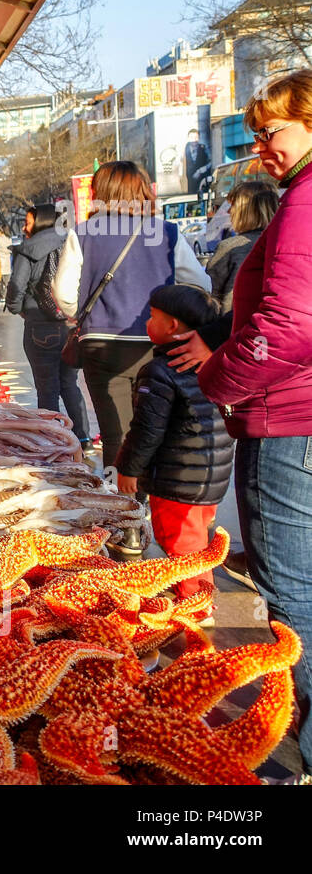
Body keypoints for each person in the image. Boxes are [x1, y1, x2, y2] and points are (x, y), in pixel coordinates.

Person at [173, 69, 312, 777]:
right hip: (296, 410)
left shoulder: (304, 205)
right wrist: (226, 338)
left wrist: (218, 379)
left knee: (287, 592)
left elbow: (288, 325)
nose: (263, 148)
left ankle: (293, 746)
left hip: (289, 421)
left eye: (273, 132)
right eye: (255, 136)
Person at [52, 160, 209, 478]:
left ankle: (125, 514)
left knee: (116, 436)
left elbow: (64, 294)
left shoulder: (84, 234)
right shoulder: (165, 233)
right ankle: (155, 506)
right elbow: (200, 286)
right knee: (158, 429)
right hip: (157, 346)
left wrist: (85, 315)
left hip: (102, 346)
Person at [113, 285, 232, 614]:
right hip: (211, 477)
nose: (146, 323)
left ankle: (196, 605)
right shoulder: (215, 362)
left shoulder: (161, 372)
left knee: (182, 544)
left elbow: (146, 430)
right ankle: (196, 592)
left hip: (176, 481)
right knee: (196, 539)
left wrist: (129, 468)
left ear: (173, 326)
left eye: (152, 317)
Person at [5, 203, 93, 453]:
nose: (25, 226)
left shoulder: (29, 249)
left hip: (40, 325)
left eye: (29, 221)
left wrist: (16, 308)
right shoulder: (71, 242)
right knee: (69, 382)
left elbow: (17, 286)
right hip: (68, 324)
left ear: (41, 221)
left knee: (47, 386)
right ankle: (82, 438)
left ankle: (54, 440)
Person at [206, 180, 279, 312]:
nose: (229, 212)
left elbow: (208, 295)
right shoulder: (283, 243)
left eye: (233, 205)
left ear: (246, 211)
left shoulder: (229, 248)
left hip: (232, 326)